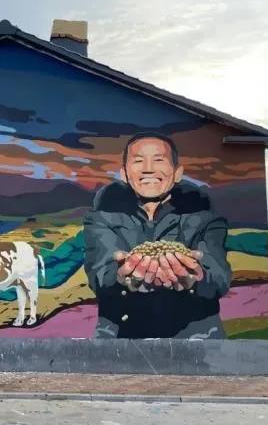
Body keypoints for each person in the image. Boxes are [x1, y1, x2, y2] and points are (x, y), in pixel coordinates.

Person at [84, 132, 232, 339]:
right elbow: (100, 275)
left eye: (159, 160)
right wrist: (121, 277)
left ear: (177, 173)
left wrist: (196, 279)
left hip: (198, 336)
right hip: (120, 335)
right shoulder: (101, 217)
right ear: (124, 174)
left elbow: (219, 276)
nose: (148, 169)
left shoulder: (205, 217)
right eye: (138, 161)